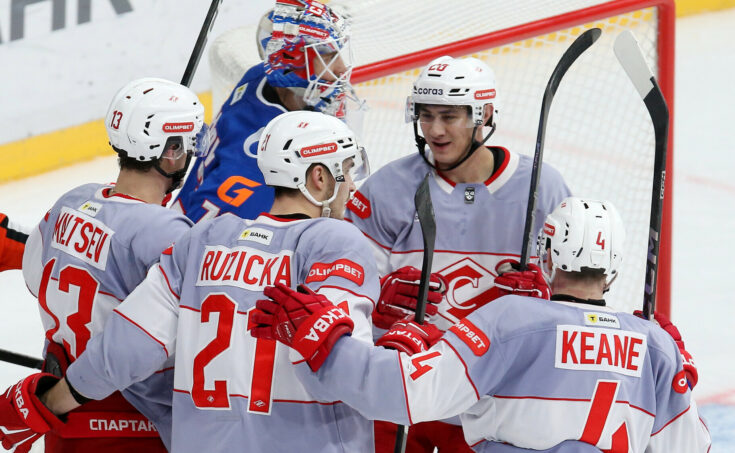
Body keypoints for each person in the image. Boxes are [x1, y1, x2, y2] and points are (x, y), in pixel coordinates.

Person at [1, 111, 379, 452]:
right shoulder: (335, 242)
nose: (351, 184)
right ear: (318, 177)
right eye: (346, 170)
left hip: (147, 425)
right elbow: (353, 375)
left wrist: (45, 403)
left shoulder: (201, 241)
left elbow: (124, 347)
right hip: (268, 437)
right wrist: (399, 347)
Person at [250, 197, 711, 452]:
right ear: (613, 269)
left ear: (548, 257)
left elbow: (408, 394)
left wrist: (327, 344)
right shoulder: (655, 344)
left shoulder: (513, 319)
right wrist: (674, 368)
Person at [345, 55, 571, 451]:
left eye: (449, 117)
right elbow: (343, 290)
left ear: (484, 115)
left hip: (491, 399)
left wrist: (549, 301)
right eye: (426, 115)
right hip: (404, 389)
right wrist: (374, 301)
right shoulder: (388, 188)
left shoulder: (543, 188)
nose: (434, 130)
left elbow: (575, 299)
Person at [0, 77, 205, 453]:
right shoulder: (166, 232)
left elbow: (36, 276)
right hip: (134, 428)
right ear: (172, 151)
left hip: (62, 422)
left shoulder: (73, 201)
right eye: (189, 143)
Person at [173, 0, 362, 223]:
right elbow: (205, 232)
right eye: (328, 57)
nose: (341, 68)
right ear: (293, 63)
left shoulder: (259, 78)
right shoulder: (261, 162)